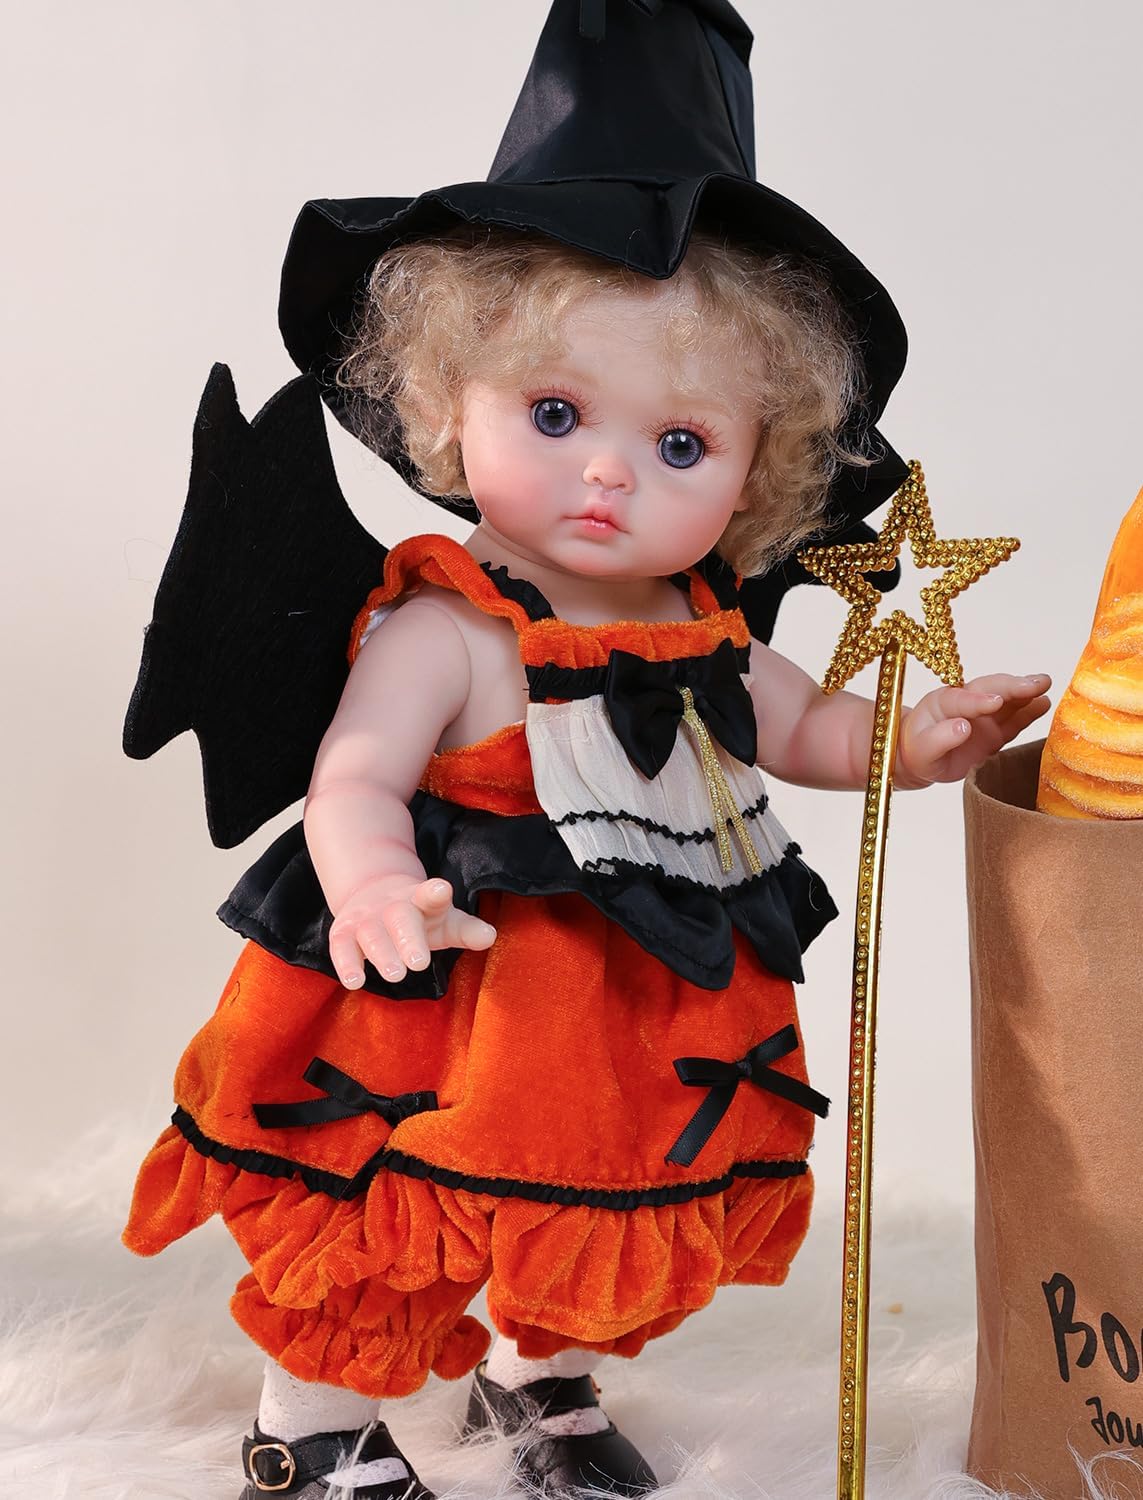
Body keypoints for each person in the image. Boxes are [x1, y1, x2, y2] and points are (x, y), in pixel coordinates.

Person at [121, 6, 1050, 1497]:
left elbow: (800, 724)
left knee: (597, 1197)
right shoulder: (451, 625)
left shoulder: (703, 623)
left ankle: (532, 1379)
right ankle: (318, 1421)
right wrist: (373, 886)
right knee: (391, 1211)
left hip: (628, 1011)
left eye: (682, 445)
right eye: (554, 413)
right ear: (447, 399)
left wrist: (914, 737)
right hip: (450, 986)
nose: (609, 473)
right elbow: (353, 777)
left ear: (761, 470)